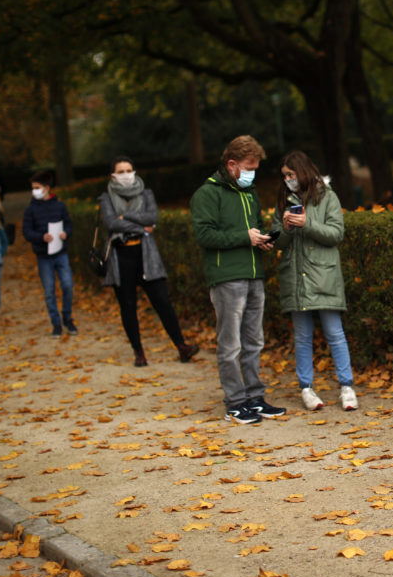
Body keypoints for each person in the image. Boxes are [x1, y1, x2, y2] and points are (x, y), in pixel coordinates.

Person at [190, 135, 286, 424]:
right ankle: (235, 402)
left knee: (254, 341)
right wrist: (244, 237)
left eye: (255, 167)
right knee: (230, 344)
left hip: (254, 273)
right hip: (226, 277)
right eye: (248, 166)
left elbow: (254, 225)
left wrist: (262, 240)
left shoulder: (249, 192)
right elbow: (204, 235)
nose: (252, 172)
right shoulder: (206, 194)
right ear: (232, 165)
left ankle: (255, 397)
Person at [271, 151, 358, 412]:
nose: (287, 180)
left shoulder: (327, 197)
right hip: (296, 278)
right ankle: (306, 388)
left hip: (324, 276)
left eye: (291, 174)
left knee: (335, 333)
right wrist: (285, 229)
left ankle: (347, 387)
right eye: (284, 176)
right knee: (302, 336)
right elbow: (277, 241)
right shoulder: (283, 200)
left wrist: (307, 224)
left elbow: (336, 233)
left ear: (303, 172)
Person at [98, 157, 199, 367]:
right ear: (113, 176)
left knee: (162, 301)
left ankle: (181, 346)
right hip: (121, 256)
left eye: (129, 170)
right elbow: (110, 223)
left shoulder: (146, 193)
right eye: (121, 171)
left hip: (146, 255)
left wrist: (124, 218)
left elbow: (153, 217)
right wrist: (141, 227)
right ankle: (139, 352)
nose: (126, 174)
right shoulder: (106, 197)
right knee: (127, 306)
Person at [22, 170, 77, 337]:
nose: (35, 191)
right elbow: (27, 232)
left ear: (46, 188)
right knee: (49, 291)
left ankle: (67, 317)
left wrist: (65, 234)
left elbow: (69, 225)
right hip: (43, 256)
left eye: (37, 187)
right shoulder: (30, 210)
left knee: (67, 285)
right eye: (33, 188)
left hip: (60, 253)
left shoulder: (59, 206)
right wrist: (41, 237)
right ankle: (56, 323)